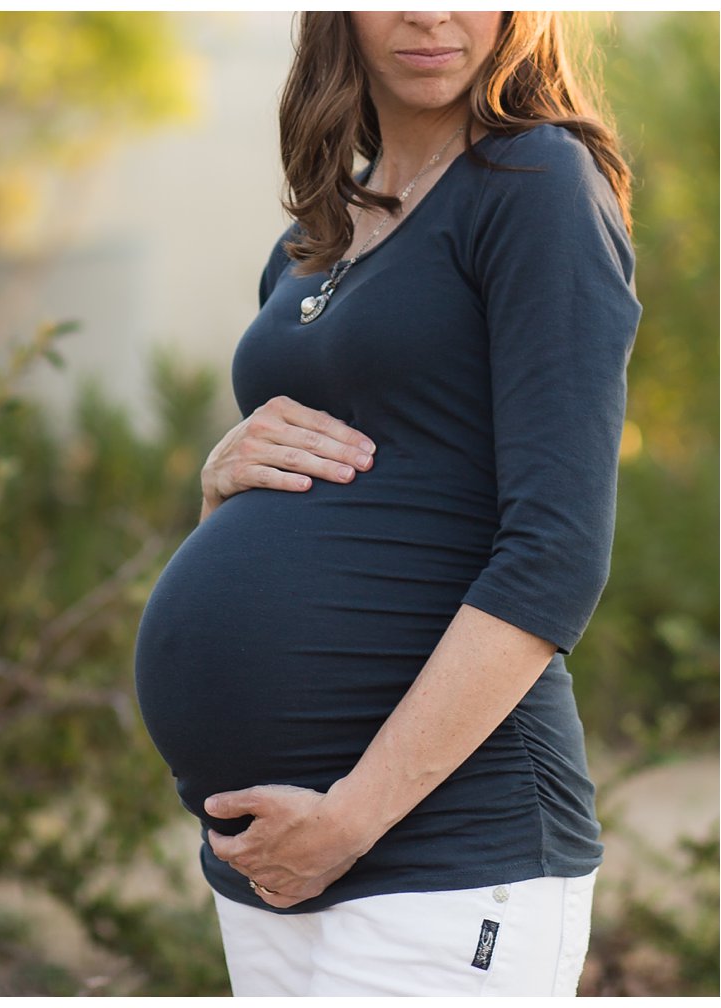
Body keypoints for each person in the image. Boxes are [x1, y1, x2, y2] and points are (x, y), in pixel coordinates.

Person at [132, 11, 640, 997]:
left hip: (445, 857)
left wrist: (352, 818)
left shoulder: (536, 184)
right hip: (271, 865)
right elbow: (322, 516)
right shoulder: (309, 244)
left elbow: (556, 552)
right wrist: (219, 487)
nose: (428, 11)